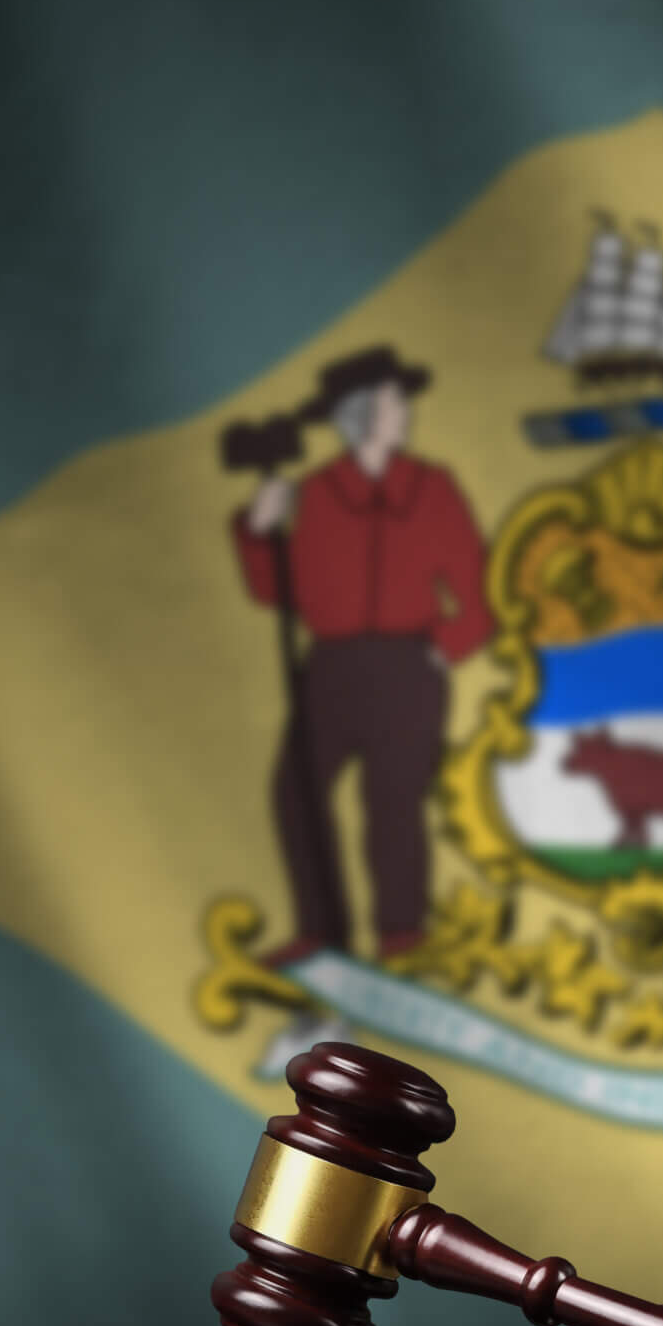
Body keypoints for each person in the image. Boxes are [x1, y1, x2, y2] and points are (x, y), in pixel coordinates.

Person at [232, 346, 492, 963]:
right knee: (295, 791)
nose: (404, 412)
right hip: (330, 668)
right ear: (361, 414)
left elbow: (480, 592)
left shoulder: (433, 488)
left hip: (409, 665)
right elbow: (277, 590)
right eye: (393, 401)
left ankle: (402, 936)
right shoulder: (317, 494)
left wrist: (443, 651)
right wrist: (256, 530)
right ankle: (321, 932)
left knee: (395, 800)